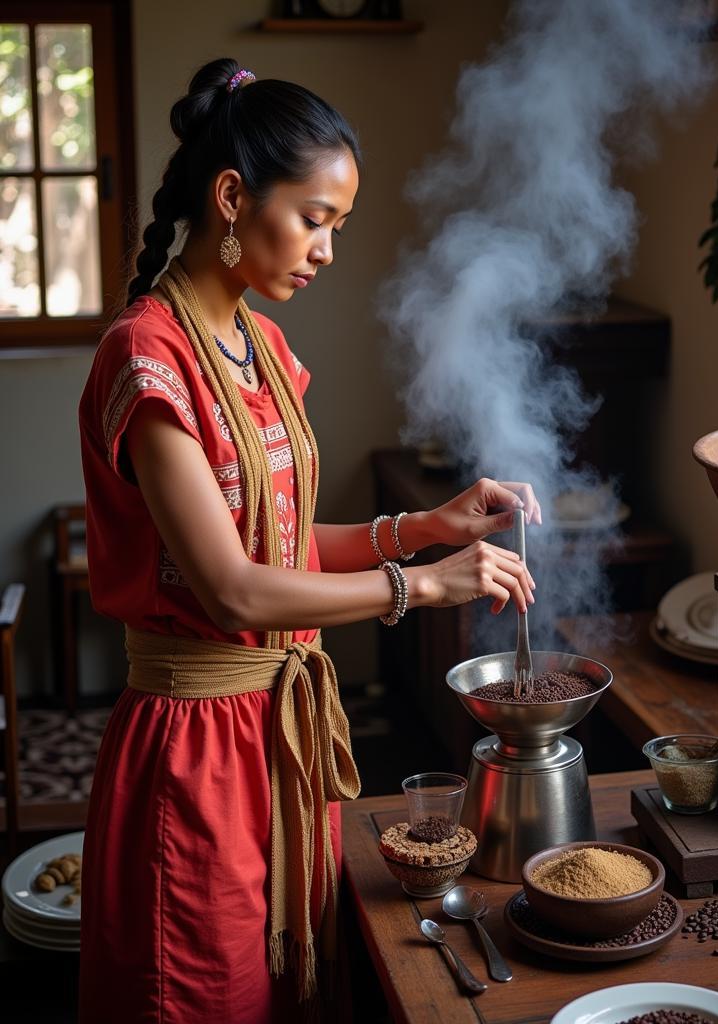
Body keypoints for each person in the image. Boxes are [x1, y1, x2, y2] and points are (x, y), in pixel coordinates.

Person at [77, 58, 540, 1024]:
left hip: (275, 742)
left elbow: (279, 546)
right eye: (317, 218)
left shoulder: (261, 347)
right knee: (202, 996)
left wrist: (425, 527)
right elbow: (237, 591)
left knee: (291, 988)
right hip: (194, 753)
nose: (327, 249)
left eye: (340, 226)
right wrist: (423, 587)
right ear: (234, 197)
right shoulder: (149, 356)